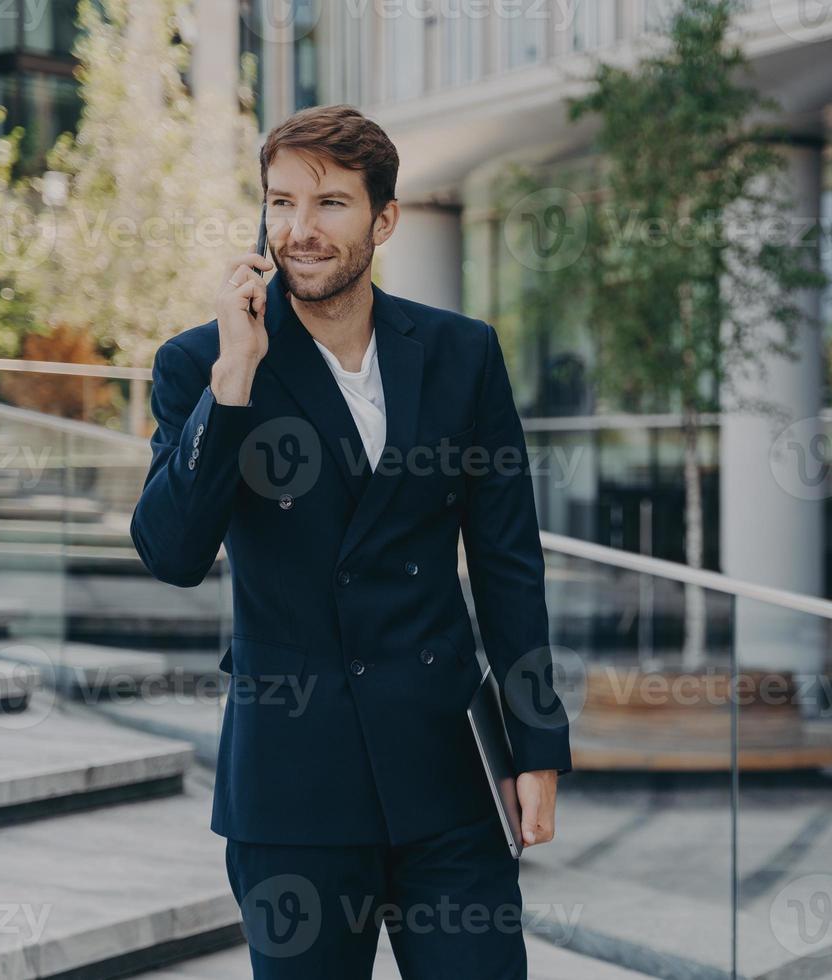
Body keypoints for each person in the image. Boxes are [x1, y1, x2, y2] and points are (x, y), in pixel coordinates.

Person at [129, 103, 572, 978]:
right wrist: (233, 384)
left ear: (384, 218)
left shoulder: (461, 354)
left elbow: (509, 561)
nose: (299, 230)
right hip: (294, 789)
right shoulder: (204, 363)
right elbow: (172, 553)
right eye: (281, 202)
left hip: (447, 777)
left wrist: (538, 748)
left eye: (330, 204)